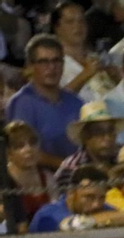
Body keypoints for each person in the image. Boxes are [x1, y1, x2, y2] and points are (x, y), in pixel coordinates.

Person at [7, 35, 85, 166]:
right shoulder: (22, 103)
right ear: (30, 66)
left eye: (56, 61)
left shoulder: (76, 101)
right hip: (41, 182)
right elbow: (25, 152)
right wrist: (69, 167)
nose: (51, 67)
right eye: (43, 62)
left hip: (80, 176)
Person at [52, 98, 124, 195]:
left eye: (111, 131)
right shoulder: (71, 168)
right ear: (85, 136)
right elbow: (67, 205)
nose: (107, 137)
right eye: (99, 132)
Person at [51, 0, 116, 102]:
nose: (77, 26)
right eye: (70, 22)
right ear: (57, 28)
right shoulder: (52, 63)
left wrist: (118, 79)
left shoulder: (99, 58)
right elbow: (53, 100)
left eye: (81, 21)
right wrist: (85, 75)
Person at [5, 121, 55, 230]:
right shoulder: (3, 181)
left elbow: (56, 214)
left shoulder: (48, 177)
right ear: (8, 153)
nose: (28, 150)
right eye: (19, 146)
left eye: (33, 143)